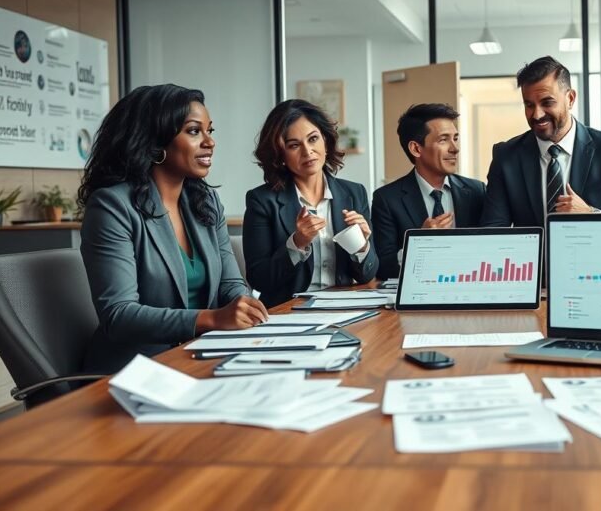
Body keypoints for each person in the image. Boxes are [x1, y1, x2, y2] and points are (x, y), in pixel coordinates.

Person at [78, 84, 266, 373]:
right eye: (194, 131)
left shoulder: (205, 201)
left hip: (201, 355)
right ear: (155, 143)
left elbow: (230, 283)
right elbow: (119, 315)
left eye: (210, 131)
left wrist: (243, 306)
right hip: (135, 369)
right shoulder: (112, 207)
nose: (210, 142)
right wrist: (212, 319)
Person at [243, 100, 378, 307]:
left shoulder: (354, 192)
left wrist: (361, 246)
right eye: (294, 145)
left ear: (325, 140)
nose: (308, 152)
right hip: (289, 312)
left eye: (313, 139)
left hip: (345, 308)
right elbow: (259, 279)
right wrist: (296, 243)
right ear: (280, 155)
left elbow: (367, 275)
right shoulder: (261, 201)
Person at [481, 56, 601, 227]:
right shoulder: (506, 156)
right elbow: (493, 229)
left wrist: (591, 214)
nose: (537, 114)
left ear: (570, 98)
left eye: (547, 102)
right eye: (529, 105)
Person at [371, 103, 486, 280]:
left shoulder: (476, 191)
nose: (455, 148)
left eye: (455, 138)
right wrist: (419, 242)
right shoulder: (386, 199)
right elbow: (383, 269)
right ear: (416, 148)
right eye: (443, 139)